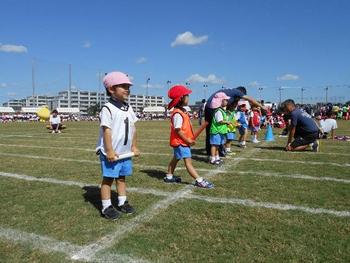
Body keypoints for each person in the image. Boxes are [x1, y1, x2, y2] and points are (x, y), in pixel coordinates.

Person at [96, 71, 140, 220]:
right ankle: (106, 206)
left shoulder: (128, 108)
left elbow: (133, 128)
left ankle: (122, 202)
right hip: (112, 152)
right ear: (111, 89)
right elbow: (106, 130)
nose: (127, 89)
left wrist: (133, 146)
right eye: (123, 86)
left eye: (128, 86)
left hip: (124, 152)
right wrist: (109, 150)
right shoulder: (107, 108)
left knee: (121, 178)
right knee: (108, 179)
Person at [165, 85, 213, 188]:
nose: (188, 97)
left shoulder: (183, 111)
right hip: (181, 142)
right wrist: (187, 140)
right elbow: (178, 130)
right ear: (181, 98)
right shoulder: (178, 114)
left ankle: (169, 176)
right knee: (188, 162)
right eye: (186, 95)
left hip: (181, 142)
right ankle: (199, 180)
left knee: (176, 158)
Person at [204, 86, 266, 155]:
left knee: (210, 130)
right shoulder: (237, 92)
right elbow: (250, 99)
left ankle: (210, 151)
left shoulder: (230, 92)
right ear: (241, 93)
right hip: (214, 108)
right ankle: (219, 151)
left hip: (208, 107)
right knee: (219, 130)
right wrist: (262, 107)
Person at [209, 92, 230, 164]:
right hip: (216, 131)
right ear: (220, 101)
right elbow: (219, 121)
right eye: (225, 100)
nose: (227, 101)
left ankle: (217, 157)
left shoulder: (222, 110)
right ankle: (213, 159)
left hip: (220, 131)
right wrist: (227, 122)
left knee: (217, 145)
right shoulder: (218, 111)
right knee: (214, 145)